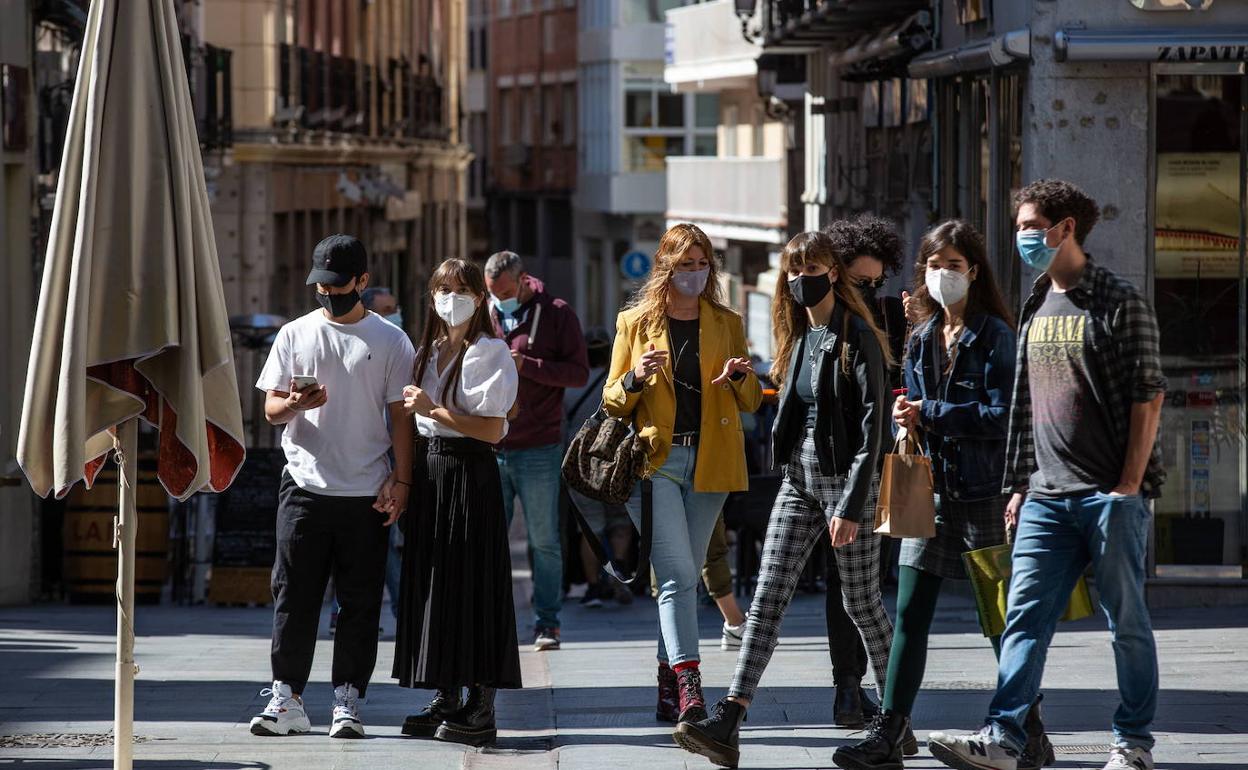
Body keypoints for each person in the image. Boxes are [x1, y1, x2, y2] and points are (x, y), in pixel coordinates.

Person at [927, 180, 1165, 770]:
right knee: (1022, 620)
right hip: (1044, 496)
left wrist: (1128, 484)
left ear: (1066, 229)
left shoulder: (1116, 300)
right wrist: (1019, 484)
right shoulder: (1035, 301)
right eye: (1020, 226)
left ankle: (1132, 743)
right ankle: (1005, 737)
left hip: (1107, 495)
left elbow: (1147, 395)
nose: (1023, 236)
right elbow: (1027, 405)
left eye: (1033, 225)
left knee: (1126, 624)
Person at [833, 220, 1051, 770]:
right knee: (909, 613)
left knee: (1000, 620)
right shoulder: (924, 337)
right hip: (929, 493)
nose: (944, 275)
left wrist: (930, 412)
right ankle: (889, 731)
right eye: (935, 265)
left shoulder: (996, 335)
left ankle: (1030, 728)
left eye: (954, 265)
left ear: (973, 272)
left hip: (984, 493)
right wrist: (912, 415)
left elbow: (1004, 416)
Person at [675, 230, 897, 769]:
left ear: (834, 274)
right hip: (799, 482)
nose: (801, 280)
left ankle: (896, 715)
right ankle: (730, 716)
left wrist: (850, 502)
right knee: (768, 597)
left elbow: (874, 433)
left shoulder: (857, 336)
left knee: (861, 604)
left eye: (812, 269)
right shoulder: (798, 336)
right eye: (793, 272)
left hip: (848, 487)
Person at [249, 234, 415, 739]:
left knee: (360, 601)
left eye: (337, 285)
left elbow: (400, 417)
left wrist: (402, 477)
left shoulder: (391, 341)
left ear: (362, 281)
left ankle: (348, 700)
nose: (327, 293)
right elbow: (270, 409)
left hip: (366, 488)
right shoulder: (294, 334)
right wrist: (298, 404)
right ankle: (287, 696)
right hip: (303, 484)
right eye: (320, 285)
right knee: (292, 596)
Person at [603, 223, 762, 727]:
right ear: (665, 267)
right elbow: (611, 399)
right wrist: (634, 377)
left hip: (712, 461)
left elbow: (754, 399)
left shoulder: (727, 321)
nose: (694, 274)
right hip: (657, 462)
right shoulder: (635, 322)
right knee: (674, 577)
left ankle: (666, 687)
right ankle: (691, 688)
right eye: (684, 265)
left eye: (701, 264)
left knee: (685, 580)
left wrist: (741, 376)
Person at [393, 258, 522, 747]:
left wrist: (435, 410)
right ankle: (447, 694)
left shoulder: (489, 351)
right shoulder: (427, 351)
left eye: (462, 289)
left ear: (480, 297)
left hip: (469, 469)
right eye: (443, 289)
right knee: (435, 580)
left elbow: (491, 429)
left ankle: (481, 703)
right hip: (430, 471)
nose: (452, 297)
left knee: (473, 579)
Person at [820, 215, 907, 727]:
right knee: (846, 581)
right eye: (861, 283)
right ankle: (849, 689)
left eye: (878, 283)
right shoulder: (821, 318)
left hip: (887, 464)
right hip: (840, 465)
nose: (872, 292)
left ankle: (860, 692)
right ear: (837, 274)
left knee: (869, 583)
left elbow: (908, 381)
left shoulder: (894, 317)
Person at [484, 251, 590, 652]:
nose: (499, 300)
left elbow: (578, 373)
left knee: (544, 540)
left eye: (506, 292)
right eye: (492, 294)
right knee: (491, 538)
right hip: (490, 442)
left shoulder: (557, 313)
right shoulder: (484, 312)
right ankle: (495, 617)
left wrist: (527, 365)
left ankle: (548, 623)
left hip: (539, 444)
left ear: (524, 281)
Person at [564, 327, 635, 608]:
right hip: (616, 464)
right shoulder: (618, 384)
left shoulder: (571, 386)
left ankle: (593, 587)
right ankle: (618, 572)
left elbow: (561, 429)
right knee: (620, 523)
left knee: (590, 529)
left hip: (581, 468)